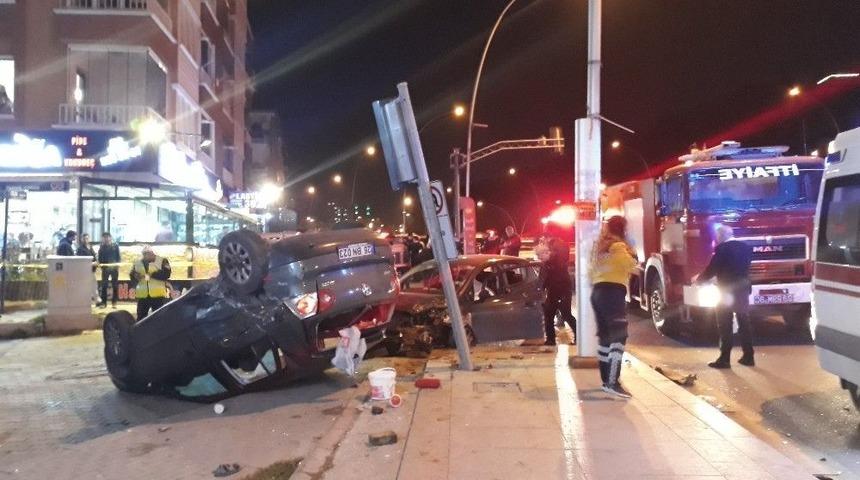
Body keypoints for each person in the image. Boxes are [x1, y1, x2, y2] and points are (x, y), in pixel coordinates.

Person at [589, 216, 638, 398]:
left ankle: (605, 380)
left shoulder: (598, 247)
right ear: (623, 229)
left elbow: (590, 270)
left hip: (598, 292)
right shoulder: (618, 246)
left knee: (605, 337)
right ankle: (612, 382)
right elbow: (631, 265)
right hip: (613, 293)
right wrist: (632, 254)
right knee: (619, 336)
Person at [695, 225, 754, 369]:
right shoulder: (746, 247)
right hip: (743, 289)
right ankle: (748, 356)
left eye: (717, 236)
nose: (717, 239)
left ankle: (724, 359)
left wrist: (699, 280)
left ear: (721, 236)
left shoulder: (722, 249)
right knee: (744, 322)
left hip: (726, 290)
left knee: (725, 324)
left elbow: (712, 268)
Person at [539, 224, 576, 346]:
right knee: (561, 313)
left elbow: (556, 264)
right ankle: (551, 339)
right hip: (560, 284)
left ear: (548, 234)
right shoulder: (560, 244)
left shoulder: (555, 246)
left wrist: (547, 260)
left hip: (558, 285)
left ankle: (551, 339)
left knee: (555, 313)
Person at [129, 245, 171, 320]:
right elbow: (132, 274)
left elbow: (167, 274)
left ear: (152, 253)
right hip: (143, 296)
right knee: (141, 319)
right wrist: (135, 276)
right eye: (144, 254)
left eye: (147, 254)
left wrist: (152, 274)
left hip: (157, 295)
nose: (145, 256)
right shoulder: (137, 263)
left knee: (159, 318)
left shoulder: (162, 261)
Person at [97, 232, 121, 308]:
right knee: (104, 286)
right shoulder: (101, 247)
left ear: (110, 237)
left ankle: (114, 302)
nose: (106, 239)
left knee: (115, 285)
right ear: (102, 239)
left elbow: (118, 257)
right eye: (104, 237)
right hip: (105, 269)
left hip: (114, 268)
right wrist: (102, 267)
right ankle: (104, 303)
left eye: (107, 237)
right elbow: (100, 258)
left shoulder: (115, 246)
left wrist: (117, 266)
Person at [77, 234, 100, 304]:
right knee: (85, 287)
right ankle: (86, 301)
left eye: (87, 238)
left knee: (94, 285)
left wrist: (96, 261)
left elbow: (94, 256)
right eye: (84, 239)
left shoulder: (90, 247)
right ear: (81, 239)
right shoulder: (80, 249)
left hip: (92, 270)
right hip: (84, 271)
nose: (85, 240)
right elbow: (80, 261)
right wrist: (91, 264)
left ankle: (96, 300)